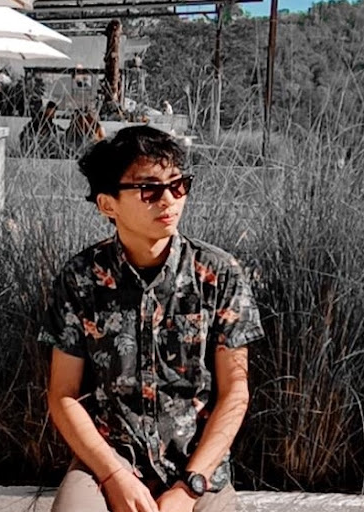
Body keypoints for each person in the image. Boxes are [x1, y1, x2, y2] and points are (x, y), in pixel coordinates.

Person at [39, 125, 264, 512]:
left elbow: (235, 392)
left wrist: (189, 487)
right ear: (108, 205)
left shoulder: (219, 274)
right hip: (109, 459)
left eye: (178, 185)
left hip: (197, 468)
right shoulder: (81, 277)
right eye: (150, 189)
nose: (169, 200)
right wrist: (114, 475)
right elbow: (64, 394)